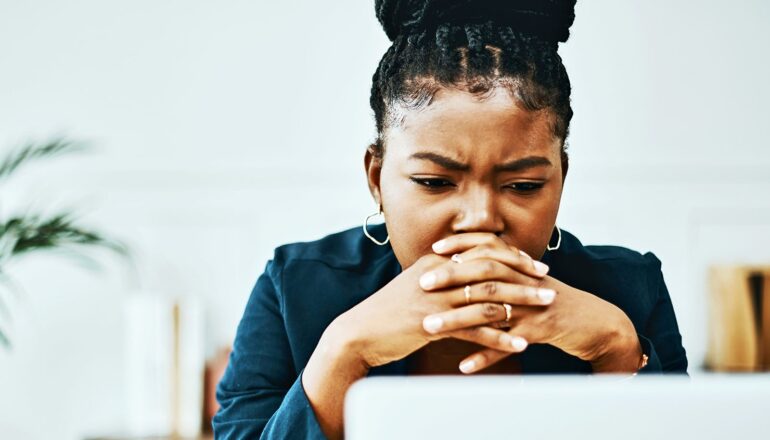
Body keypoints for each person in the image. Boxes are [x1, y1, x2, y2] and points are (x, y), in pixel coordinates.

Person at [213, 0, 688, 438]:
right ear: (377, 178)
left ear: (560, 180)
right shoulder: (293, 290)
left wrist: (617, 349)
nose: (480, 220)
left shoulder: (631, 290)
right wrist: (343, 352)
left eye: (523, 186)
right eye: (435, 182)